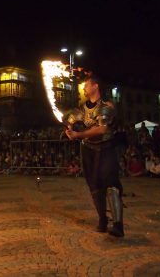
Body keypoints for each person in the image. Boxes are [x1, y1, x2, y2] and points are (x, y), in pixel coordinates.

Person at [65, 75, 125, 237]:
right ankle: (102, 219)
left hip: (106, 148)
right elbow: (71, 123)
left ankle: (118, 225)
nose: (84, 88)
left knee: (111, 184)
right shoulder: (81, 109)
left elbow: (102, 129)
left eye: (86, 85)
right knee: (95, 186)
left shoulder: (107, 105)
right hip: (88, 150)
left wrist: (79, 134)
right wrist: (70, 132)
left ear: (95, 86)